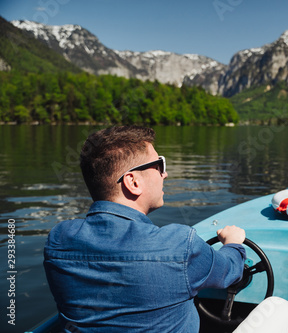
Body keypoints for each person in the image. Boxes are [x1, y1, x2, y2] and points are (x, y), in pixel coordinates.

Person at [43, 125, 247, 332]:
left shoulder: (58, 240)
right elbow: (231, 272)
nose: (165, 174)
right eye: (159, 165)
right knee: (279, 307)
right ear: (133, 182)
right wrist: (233, 243)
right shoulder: (180, 246)